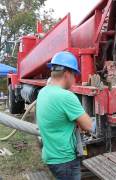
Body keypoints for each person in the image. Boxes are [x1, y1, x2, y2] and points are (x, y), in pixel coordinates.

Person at [36, 51, 93, 180]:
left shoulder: (43, 92)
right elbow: (89, 126)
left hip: (50, 156)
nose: (74, 80)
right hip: (65, 160)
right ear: (67, 74)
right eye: (74, 76)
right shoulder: (66, 96)